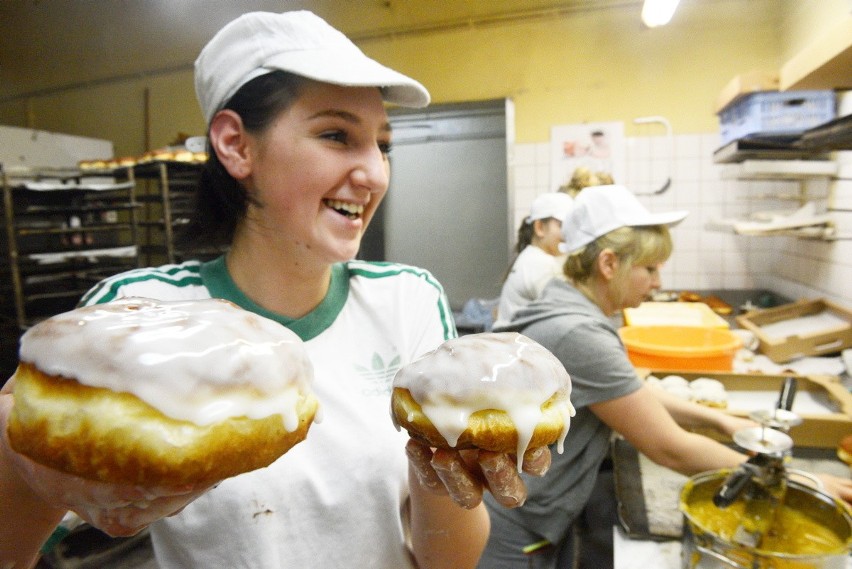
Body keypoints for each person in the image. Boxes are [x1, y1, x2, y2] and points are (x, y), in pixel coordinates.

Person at [0, 11, 552, 569]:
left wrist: (442, 474)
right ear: (236, 145)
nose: (374, 173)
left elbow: (446, 563)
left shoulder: (407, 302)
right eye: (336, 135)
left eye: (382, 144)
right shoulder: (131, 319)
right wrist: (16, 459)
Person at [477, 185, 852, 569]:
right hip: (513, 527)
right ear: (608, 264)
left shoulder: (570, 306)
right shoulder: (579, 334)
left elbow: (627, 389)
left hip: (523, 508)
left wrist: (719, 419)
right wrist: (796, 482)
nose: (657, 283)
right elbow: (669, 448)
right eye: (650, 269)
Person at [493, 192, 573, 329]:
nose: (567, 234)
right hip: (518, 346)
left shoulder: (532, 257)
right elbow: (566, 313)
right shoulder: (539, 264)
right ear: (539, 227)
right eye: (561, 226)